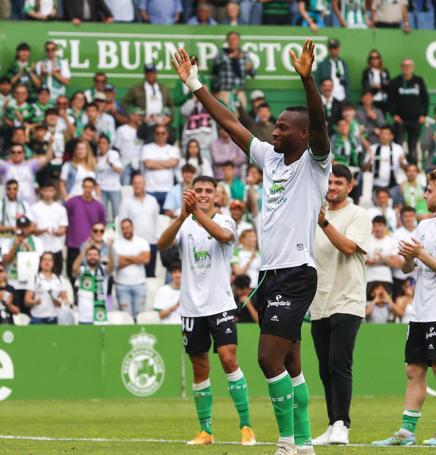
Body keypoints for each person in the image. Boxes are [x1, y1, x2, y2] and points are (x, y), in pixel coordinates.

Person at [172, 39, 330, 455]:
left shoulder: (315, 163)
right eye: (274, 126)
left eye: (281, 127)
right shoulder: (271, 159)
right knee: (291, 364)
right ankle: (306, 443)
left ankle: (285, 443)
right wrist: (195, 85)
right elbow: (231, 124)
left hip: (297, 271)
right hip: (270, 273)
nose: (273, 131)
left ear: (301, 134)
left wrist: (307, 79)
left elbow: (320, 123)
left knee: (265, 358)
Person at [373, 168, 436, 447]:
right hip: (420, 311)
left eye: (429, 190)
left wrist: (420, 255)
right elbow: (408, 268)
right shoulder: (424, 226)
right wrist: (407, 258)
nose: (425, 194)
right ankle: (406, 432)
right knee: (414, 371)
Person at [158, 176, 256, 446]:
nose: (202, 194)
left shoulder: (226, 221)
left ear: (217, 196)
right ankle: (206, 431)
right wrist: (180, 217)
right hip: (191, 308)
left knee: (228, 359)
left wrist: (196, 214)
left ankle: (246, 426)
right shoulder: (185, 223)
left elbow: (223, 236)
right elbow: (162, 244)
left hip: (221, 304)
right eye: (197, 190)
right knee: (199, 368)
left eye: (208, 191)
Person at [310, 164, 371, 446]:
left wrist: (323, 222)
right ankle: (332, 422)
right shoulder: (313, 213)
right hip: (319, 300)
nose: (332, 187)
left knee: (339, 363)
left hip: (348, 299)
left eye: (338, 183)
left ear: (350, 186)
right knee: (324, 368)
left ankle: (342, 425)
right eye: (329, 182)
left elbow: (348, 248)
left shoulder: (358, 215)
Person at [117, 174, 160, 278]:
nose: (137, 186)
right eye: (135, 183)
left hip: (151, 243)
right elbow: (121, 223)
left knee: (150, 276)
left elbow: (156, 221)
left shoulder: (152, 201)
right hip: (133, 244)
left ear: (145, 184)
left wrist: (157, 238)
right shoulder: (126, 202)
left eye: (139, 183)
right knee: (133, 274)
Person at [387, 59, 428, 163]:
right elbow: (390, 100)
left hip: (416, 119)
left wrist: (424, 115)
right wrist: (394, 115)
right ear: (401, 67)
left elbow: (425, 98)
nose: (407, 68)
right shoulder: (396, 81)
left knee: (413, 146)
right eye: (404, 65)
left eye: (409, 65)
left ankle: (412, 167)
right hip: (400, 119)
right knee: (398, 144)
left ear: (413, 67)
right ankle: (398, 164)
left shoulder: (419, 81)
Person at [64, 178, 106, 281]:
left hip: (91, 247)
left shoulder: (99, 206)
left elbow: (102, 224)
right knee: (72, 274)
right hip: (73, 245)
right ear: (82, 187)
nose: (88, 189)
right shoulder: (72, 202)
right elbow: (65, 219)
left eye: (90, 187)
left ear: (94, 188)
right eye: (85, 187)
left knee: (89, 276)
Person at [1, 215, 44, 314]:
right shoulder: (9, 241)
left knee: (28, 312)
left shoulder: (36, 241)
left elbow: (40, 260)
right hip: (14, 282)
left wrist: (29, 247)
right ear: (16, 228)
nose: (23, 229)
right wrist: (14, 246)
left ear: (30, 227)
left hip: (30, 283)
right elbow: (4, 261)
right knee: (16, 312)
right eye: (20, 227)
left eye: (25, 227)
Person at [113, 218, 150, 319]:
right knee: (126, 316)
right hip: (122, 285)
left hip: (139, 284)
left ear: (132, 227)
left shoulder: (142, 241)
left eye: (127, 228)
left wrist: (125, 257)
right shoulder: (116, 243)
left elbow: (146, 259)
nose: (126, 231)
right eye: (123, 229)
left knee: (140, 315)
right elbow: (117, 263)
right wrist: (136, 257)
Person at [211, 31, 255, 110]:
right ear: (227, 41)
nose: (232, 41)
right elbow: (215, 63)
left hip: (239, 92)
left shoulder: (245, 55)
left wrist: (250, 69)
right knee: (224, 117)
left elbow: (253, 74)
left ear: (238, 40)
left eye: (234, 39)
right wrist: (230, 56)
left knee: (241, 118)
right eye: (230, 39)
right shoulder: (222, 53)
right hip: (225, 92)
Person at [141, 125, 181, 210]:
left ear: (167, 134)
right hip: (150, 189)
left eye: (163, 133)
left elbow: (174, 163)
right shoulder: (147, 148)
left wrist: (155, 163)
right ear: (155, 134)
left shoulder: (173, 149)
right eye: (158, 133)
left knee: (166, 220)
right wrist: (167, 164)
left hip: (168, 190)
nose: (160, 135)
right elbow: (148, 164)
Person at [24, 252, 69, 325]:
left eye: (49, 260)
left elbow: (65, 299)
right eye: (44, 260)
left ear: (53, 263)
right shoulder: (34, 278)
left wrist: (59, 302)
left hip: (54, 317)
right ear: (40, 263)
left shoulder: (60, 279)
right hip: (37, 317)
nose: (47, 262)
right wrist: (34, 302)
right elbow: (26, 301)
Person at [73, 245, 111, 324]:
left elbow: (111, 267)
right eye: (89, 255)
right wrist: (84, 251)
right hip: (84, 317)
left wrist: (110, 249)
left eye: (95, 255)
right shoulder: (82, 270)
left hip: (100, 316)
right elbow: (74, 268)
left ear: (99, 257)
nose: (92, 257)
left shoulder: (104, 270)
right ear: (86, 257)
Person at [365, 125, 408, 191]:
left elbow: (406, 168)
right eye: (381, 133)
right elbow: (364, 168)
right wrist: (369, 160)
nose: (383, 136)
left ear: (392, 136)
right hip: (375, 185)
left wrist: (401, 162)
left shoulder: (398, 148)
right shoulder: (373, 148)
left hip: (393, 185)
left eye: (386, 134)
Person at [366, 215, 400, 293]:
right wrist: (368, 261)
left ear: (385, 227)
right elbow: (361, 259)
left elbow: (396, 264)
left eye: (380, 226)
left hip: (386, 278)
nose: (377, 229)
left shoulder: (392, 241)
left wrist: (382, 258)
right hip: (368, 278)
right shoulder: (367, 240)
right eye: (375, 226)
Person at [96, 134, 123, 221]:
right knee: (103, 215)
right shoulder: (96, 157)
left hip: (114, 188)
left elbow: (120, 170)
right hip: (102, 189)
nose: (102, 145)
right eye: (100, 143)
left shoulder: (113, 154)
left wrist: (110, 164)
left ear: (108, 144)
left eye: (104, 143)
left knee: (117, 215)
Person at [315, 39, 350, 103]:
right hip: (327, 97)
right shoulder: (322, 64)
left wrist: (347, 96)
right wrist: (321, 95)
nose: (333, 50)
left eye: (335, 48)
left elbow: (347, 82)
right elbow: (316, 81)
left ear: (339, 48)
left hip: (342, 97)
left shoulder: (343, 63)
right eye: (331, 48)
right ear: (328, 49)